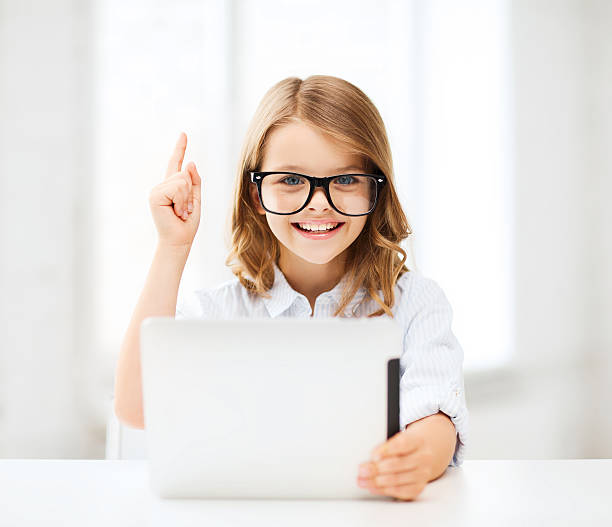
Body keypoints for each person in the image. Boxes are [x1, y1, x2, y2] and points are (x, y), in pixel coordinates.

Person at [114, 74, 468, 502]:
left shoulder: (415, 303)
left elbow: (435, 419)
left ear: (378, 188)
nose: (319, 202)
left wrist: (419, 458)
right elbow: (136, 407)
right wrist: (172, 246)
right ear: (255, 192)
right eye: (292, 180)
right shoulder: (218, 313)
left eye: (346, 180)